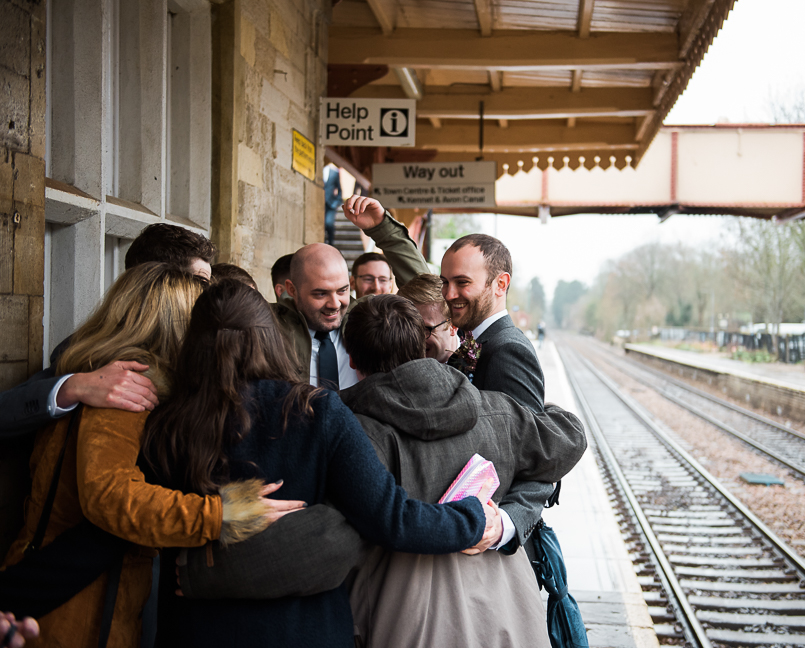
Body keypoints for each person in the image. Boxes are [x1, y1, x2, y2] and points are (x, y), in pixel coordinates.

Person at [154, 296, 587, 648]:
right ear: (421, 345)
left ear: (353, 358)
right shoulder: (495, 412)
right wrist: (502, 521)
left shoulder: (354, 425)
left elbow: (334, 535)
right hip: (506, 609)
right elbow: (568, 436)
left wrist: (205, 571)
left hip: (403, 614)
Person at [1, 264, 295, 648]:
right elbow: (109, 495)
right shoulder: (130, 387)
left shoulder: (98, 371)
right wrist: (218, 515)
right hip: (76, 613)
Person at [0, 223, 216, 439]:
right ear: (157, 283)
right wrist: (73, 387)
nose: (208, 296)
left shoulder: (209, 344)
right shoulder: (90, 351)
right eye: (201, 283)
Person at [440, 233, 550, 552]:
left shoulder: (507, 351)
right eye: (444, 282)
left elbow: (537, 451)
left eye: (462, 282)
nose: (449, 294)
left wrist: (506, 523)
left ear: (500, 284)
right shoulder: (469, 338)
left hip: (487, 539)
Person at [274, 194, 428, 390]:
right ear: (291, 290)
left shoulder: (368, 318)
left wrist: (382, 227)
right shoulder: (267, 327)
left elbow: (425, 292)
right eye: (320, 294)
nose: (335, 304)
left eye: (342, 290)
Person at [397, 273, 459, 363]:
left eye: (425, 329)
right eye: (407, 327)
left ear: (453, 326)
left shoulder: (481, 363)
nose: (415, 339)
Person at [323, 163, 342, 246]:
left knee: (329, 223)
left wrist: (337, 201)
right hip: (320, 203)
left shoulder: (335, 172)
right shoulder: (319, 169)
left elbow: (339, 188)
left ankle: (331, 243)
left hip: (331, 203)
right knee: (322, 224)